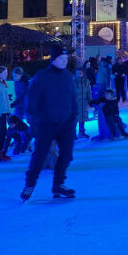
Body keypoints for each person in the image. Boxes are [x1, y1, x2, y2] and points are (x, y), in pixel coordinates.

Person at [20, 45, 78, 202]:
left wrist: (73, 121)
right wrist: (37, 124)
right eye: (61, 59)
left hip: (65, 124)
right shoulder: (42, 77)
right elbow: (30, 103)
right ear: (53, 60)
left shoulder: (67, 76)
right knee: (40, 155)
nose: (64, 61)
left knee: (66, 154)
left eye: (66, 59)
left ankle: (59, 184)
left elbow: (73, 101)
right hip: (46, 124)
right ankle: (30, 184)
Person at [73, 66, 92, 138]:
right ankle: (73, 133)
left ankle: (81, 132)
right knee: (75, 119)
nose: (79, 74)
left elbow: (88, 92)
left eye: (80, 73)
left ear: (83, 74)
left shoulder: (86, 82)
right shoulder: (73, 81)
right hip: (75, 103)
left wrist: (90, 100)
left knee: (82, 118)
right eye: (77, 73)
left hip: (83, 103)